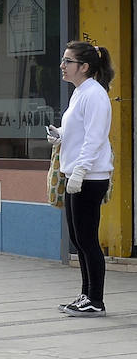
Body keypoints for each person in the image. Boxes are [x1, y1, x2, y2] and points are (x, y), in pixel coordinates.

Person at [50, 41, 115, 318]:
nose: (63, 66)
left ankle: (95, 300)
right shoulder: (80, 92)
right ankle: (86, 294)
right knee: (78, 237)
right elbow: (78, 130)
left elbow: (95, 137)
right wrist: (60, 135)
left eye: (68, 62)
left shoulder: (95, 94)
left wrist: (80, 171)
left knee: (87, 238)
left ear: (84, 67)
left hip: (88, 176)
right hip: (76, 174)